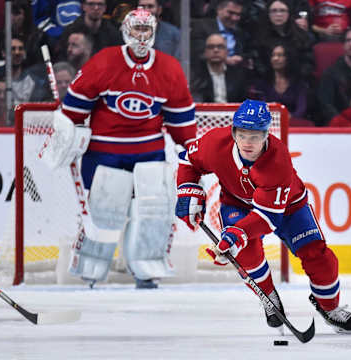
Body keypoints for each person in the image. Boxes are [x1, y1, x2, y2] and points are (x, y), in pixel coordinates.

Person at [175, 99, 351, 334]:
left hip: (288, 207)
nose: (247, 142)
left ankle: (330, 308)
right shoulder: (215, 143)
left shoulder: (277, 160)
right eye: (242, 134)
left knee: (319, 257)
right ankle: (268, 297)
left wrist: (235, 235)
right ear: (234, 131)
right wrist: (188, 190)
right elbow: (187, 160)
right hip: (236, 203)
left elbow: (267, 218)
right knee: (247, 256)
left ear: (266, 134)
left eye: (255, 136)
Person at [42, 8, 197, 289]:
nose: (141, 35)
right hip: (105, 153)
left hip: (149, 152)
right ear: (126, 31)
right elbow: (74, 110)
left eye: (146, 29)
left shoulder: (170, 68)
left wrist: (191, 150)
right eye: (136, 29)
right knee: (104, 212)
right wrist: (64, 135)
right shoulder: (104, 62)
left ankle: (147, 270)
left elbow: (181, 120)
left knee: (154, 211)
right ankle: (90, 270)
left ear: (154, 32)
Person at [252, 0, 316, 85]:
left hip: (297, 83)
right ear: (268, 14)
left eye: (282, 10)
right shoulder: (259, 37)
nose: (278, 14)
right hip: (268, 83)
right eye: (274, 11)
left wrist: (291, 79)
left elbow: (308, 64)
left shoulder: (302, 36)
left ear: (289, 13)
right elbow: (258, 65)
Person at [250, 42, 315, 126]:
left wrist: (289, 117)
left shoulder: (298, 83)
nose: (275, 58)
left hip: (293, 122)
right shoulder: (262, 84)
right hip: (268, 123)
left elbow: (301, 108)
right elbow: (261, 107)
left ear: (288, 58)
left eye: (280, 55)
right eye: (273, 55)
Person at [190, 0, 249, 68]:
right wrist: (224, 60)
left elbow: (245, 55)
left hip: (234, 75)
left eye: (238, 14)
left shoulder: (240, 33)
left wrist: (241, 60)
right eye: (230, 13)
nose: (234, 18)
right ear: (219, 10)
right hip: (206, 73)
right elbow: (197, 53)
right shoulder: (201, 26)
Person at [190, 33, 247, 102]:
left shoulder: (237, 75)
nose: (215, 50)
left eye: (220, 47)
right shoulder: (196, 76)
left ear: (227, 52)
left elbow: (243, 102)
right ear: (205, 52)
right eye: (211, 47)